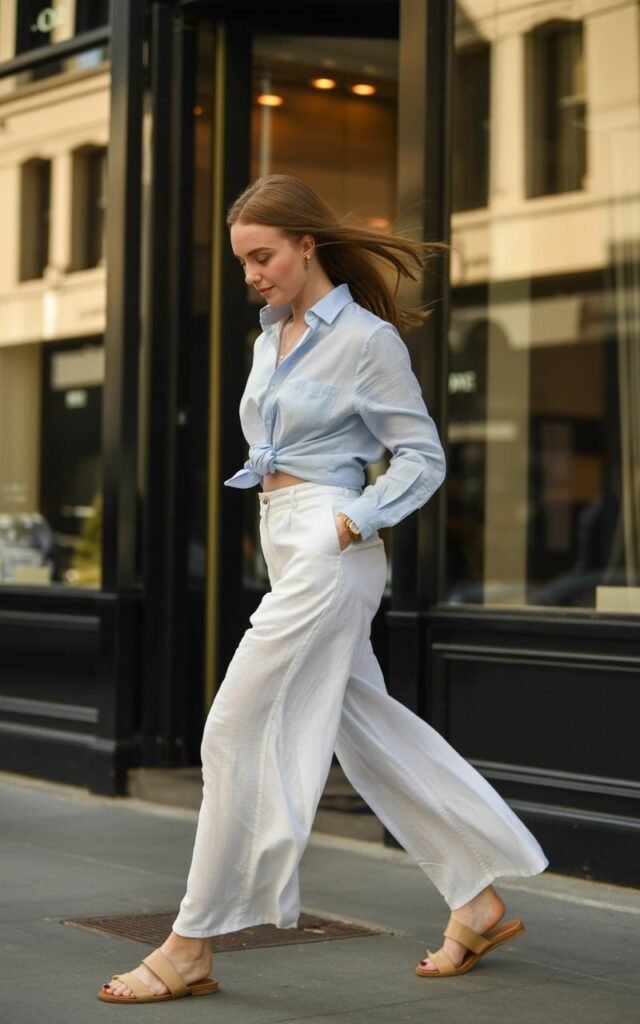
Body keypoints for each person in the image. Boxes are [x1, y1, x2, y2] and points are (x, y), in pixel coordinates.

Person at [98, 174, 547, 1004]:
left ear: (308, 243)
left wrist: (352, 521)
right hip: (290, 541)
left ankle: (192, 942)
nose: (253, 277)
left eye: (263, 257)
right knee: (367, 731)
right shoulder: (272, 337)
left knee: (234, 729)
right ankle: (475, 896)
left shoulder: (367, 341)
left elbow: (422, 457)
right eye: (243, 263)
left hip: (329, 545)